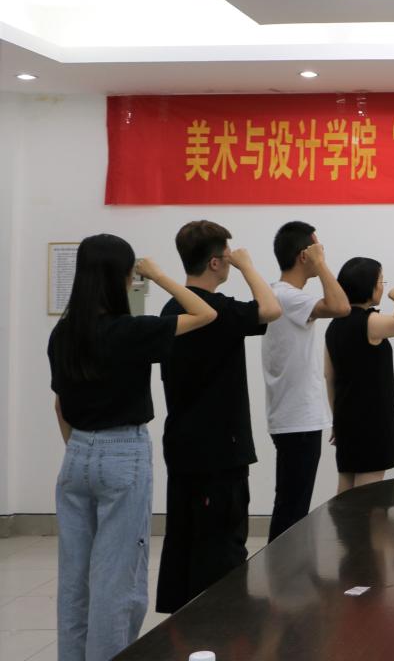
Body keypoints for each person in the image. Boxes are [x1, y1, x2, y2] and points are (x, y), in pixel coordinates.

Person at [49, 234, 217, 661]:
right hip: (123, 456)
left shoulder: (63, 333)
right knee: (116, 580)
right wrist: (158, 275)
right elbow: (205, 312)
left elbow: (61, 405)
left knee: (74, 580)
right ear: (124, 277)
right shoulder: (131, 331)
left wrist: (84, 451)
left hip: (76, 456)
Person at [156, 220, 282, 614]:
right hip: (219, 450)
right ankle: (220, 624)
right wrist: (247, 266)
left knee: (184, 537)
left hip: (183, 443)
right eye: (227, 256)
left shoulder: (171, 308)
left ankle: (183, 624)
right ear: (215, 262)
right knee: (221, 542)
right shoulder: (216, 309)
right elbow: (271, 309)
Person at [261, 222, 350, 541]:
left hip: (293, 416)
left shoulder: (280, 293)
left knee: (291, 503)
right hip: (297, 418)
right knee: (292, 508)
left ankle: (286, 567)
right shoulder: (288, 296)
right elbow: (341, 306)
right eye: (317, 249)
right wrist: (321, 265)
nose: (322, 254)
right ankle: (283, 568)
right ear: (304, 256)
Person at [324, 257, 394, 493]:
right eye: (381, 281)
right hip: (372, 416)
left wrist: (336, 419)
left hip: (346, 415)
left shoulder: (334, 325)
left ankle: (343, 521)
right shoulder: (369, 321)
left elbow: (329, 376)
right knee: (369, 497)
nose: (383, 286)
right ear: (369, 286)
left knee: (346, 487)